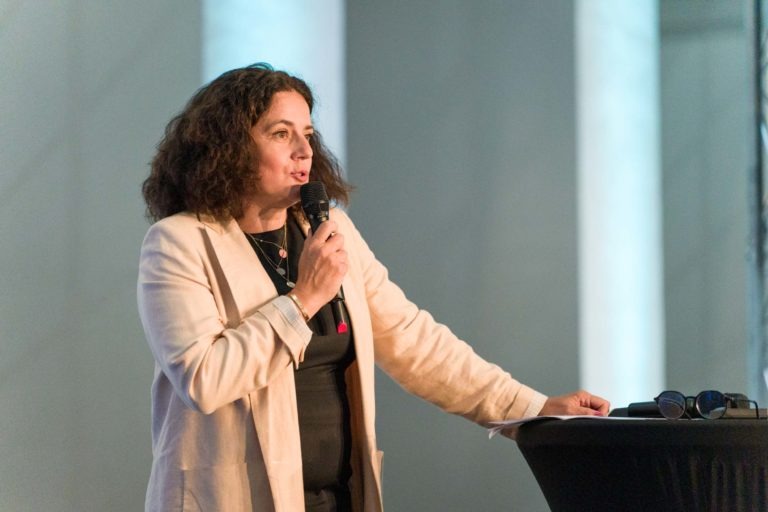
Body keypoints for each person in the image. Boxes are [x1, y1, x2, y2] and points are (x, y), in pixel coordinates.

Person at [137, 62, 609, 512]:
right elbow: (203, 378)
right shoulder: (179, 242)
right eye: (281, 134)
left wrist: (532, 407)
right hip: (232, 498)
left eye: (307, 134)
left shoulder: (326, 230)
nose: (303, 151)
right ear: (229, 146)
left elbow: (414, 340)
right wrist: (302, 300)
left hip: (339, 497)